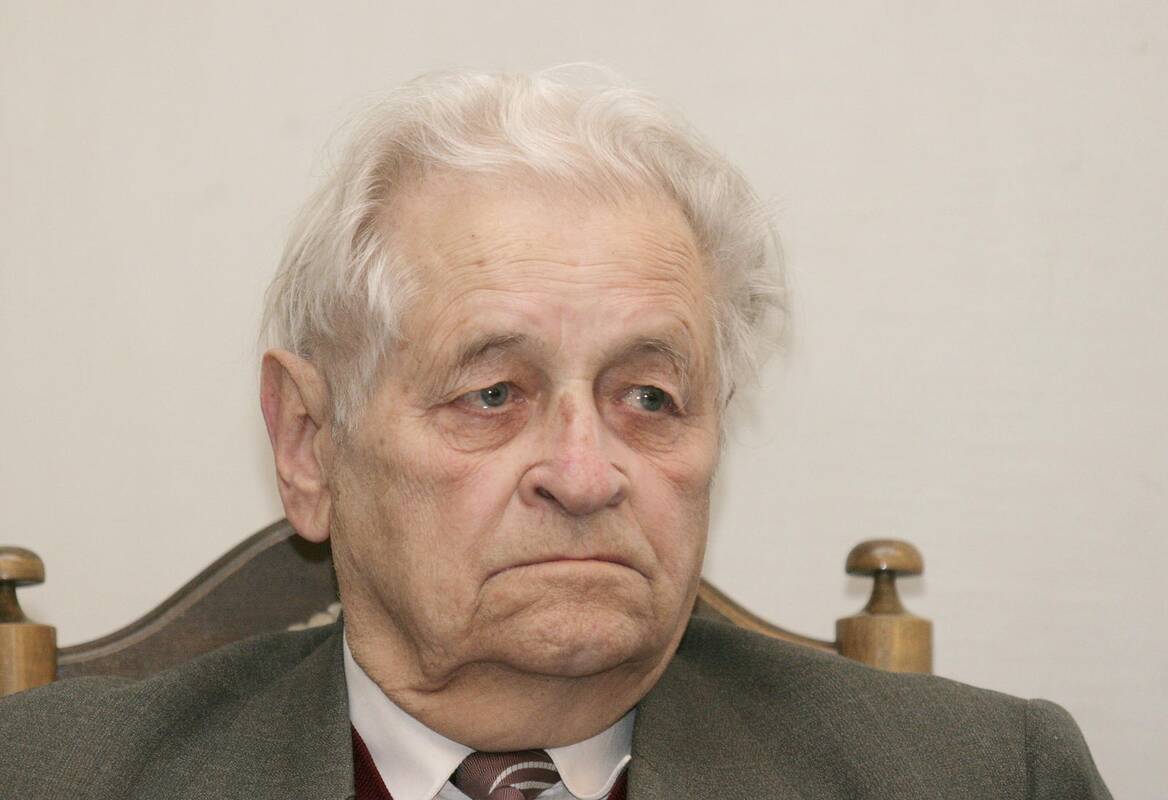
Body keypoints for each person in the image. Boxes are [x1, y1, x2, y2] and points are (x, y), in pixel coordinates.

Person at [0, 67, 1110, 800]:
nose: (584, 476)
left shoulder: (981, 777)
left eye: (649, 399)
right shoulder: (51, 778)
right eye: (493, 393)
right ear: (308, 445)